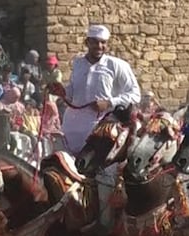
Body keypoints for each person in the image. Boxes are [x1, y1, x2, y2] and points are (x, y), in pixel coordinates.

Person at [58, 24, 141, 153]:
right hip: (71, 127)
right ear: (87, 43)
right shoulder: (78, 63)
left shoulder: (117, 65)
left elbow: (135, 94)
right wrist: (62, 92)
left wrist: (109, 102)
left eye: (103, 42)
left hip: (100, 129)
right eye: (95, 42)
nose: (99, 46)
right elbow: (74, 91)